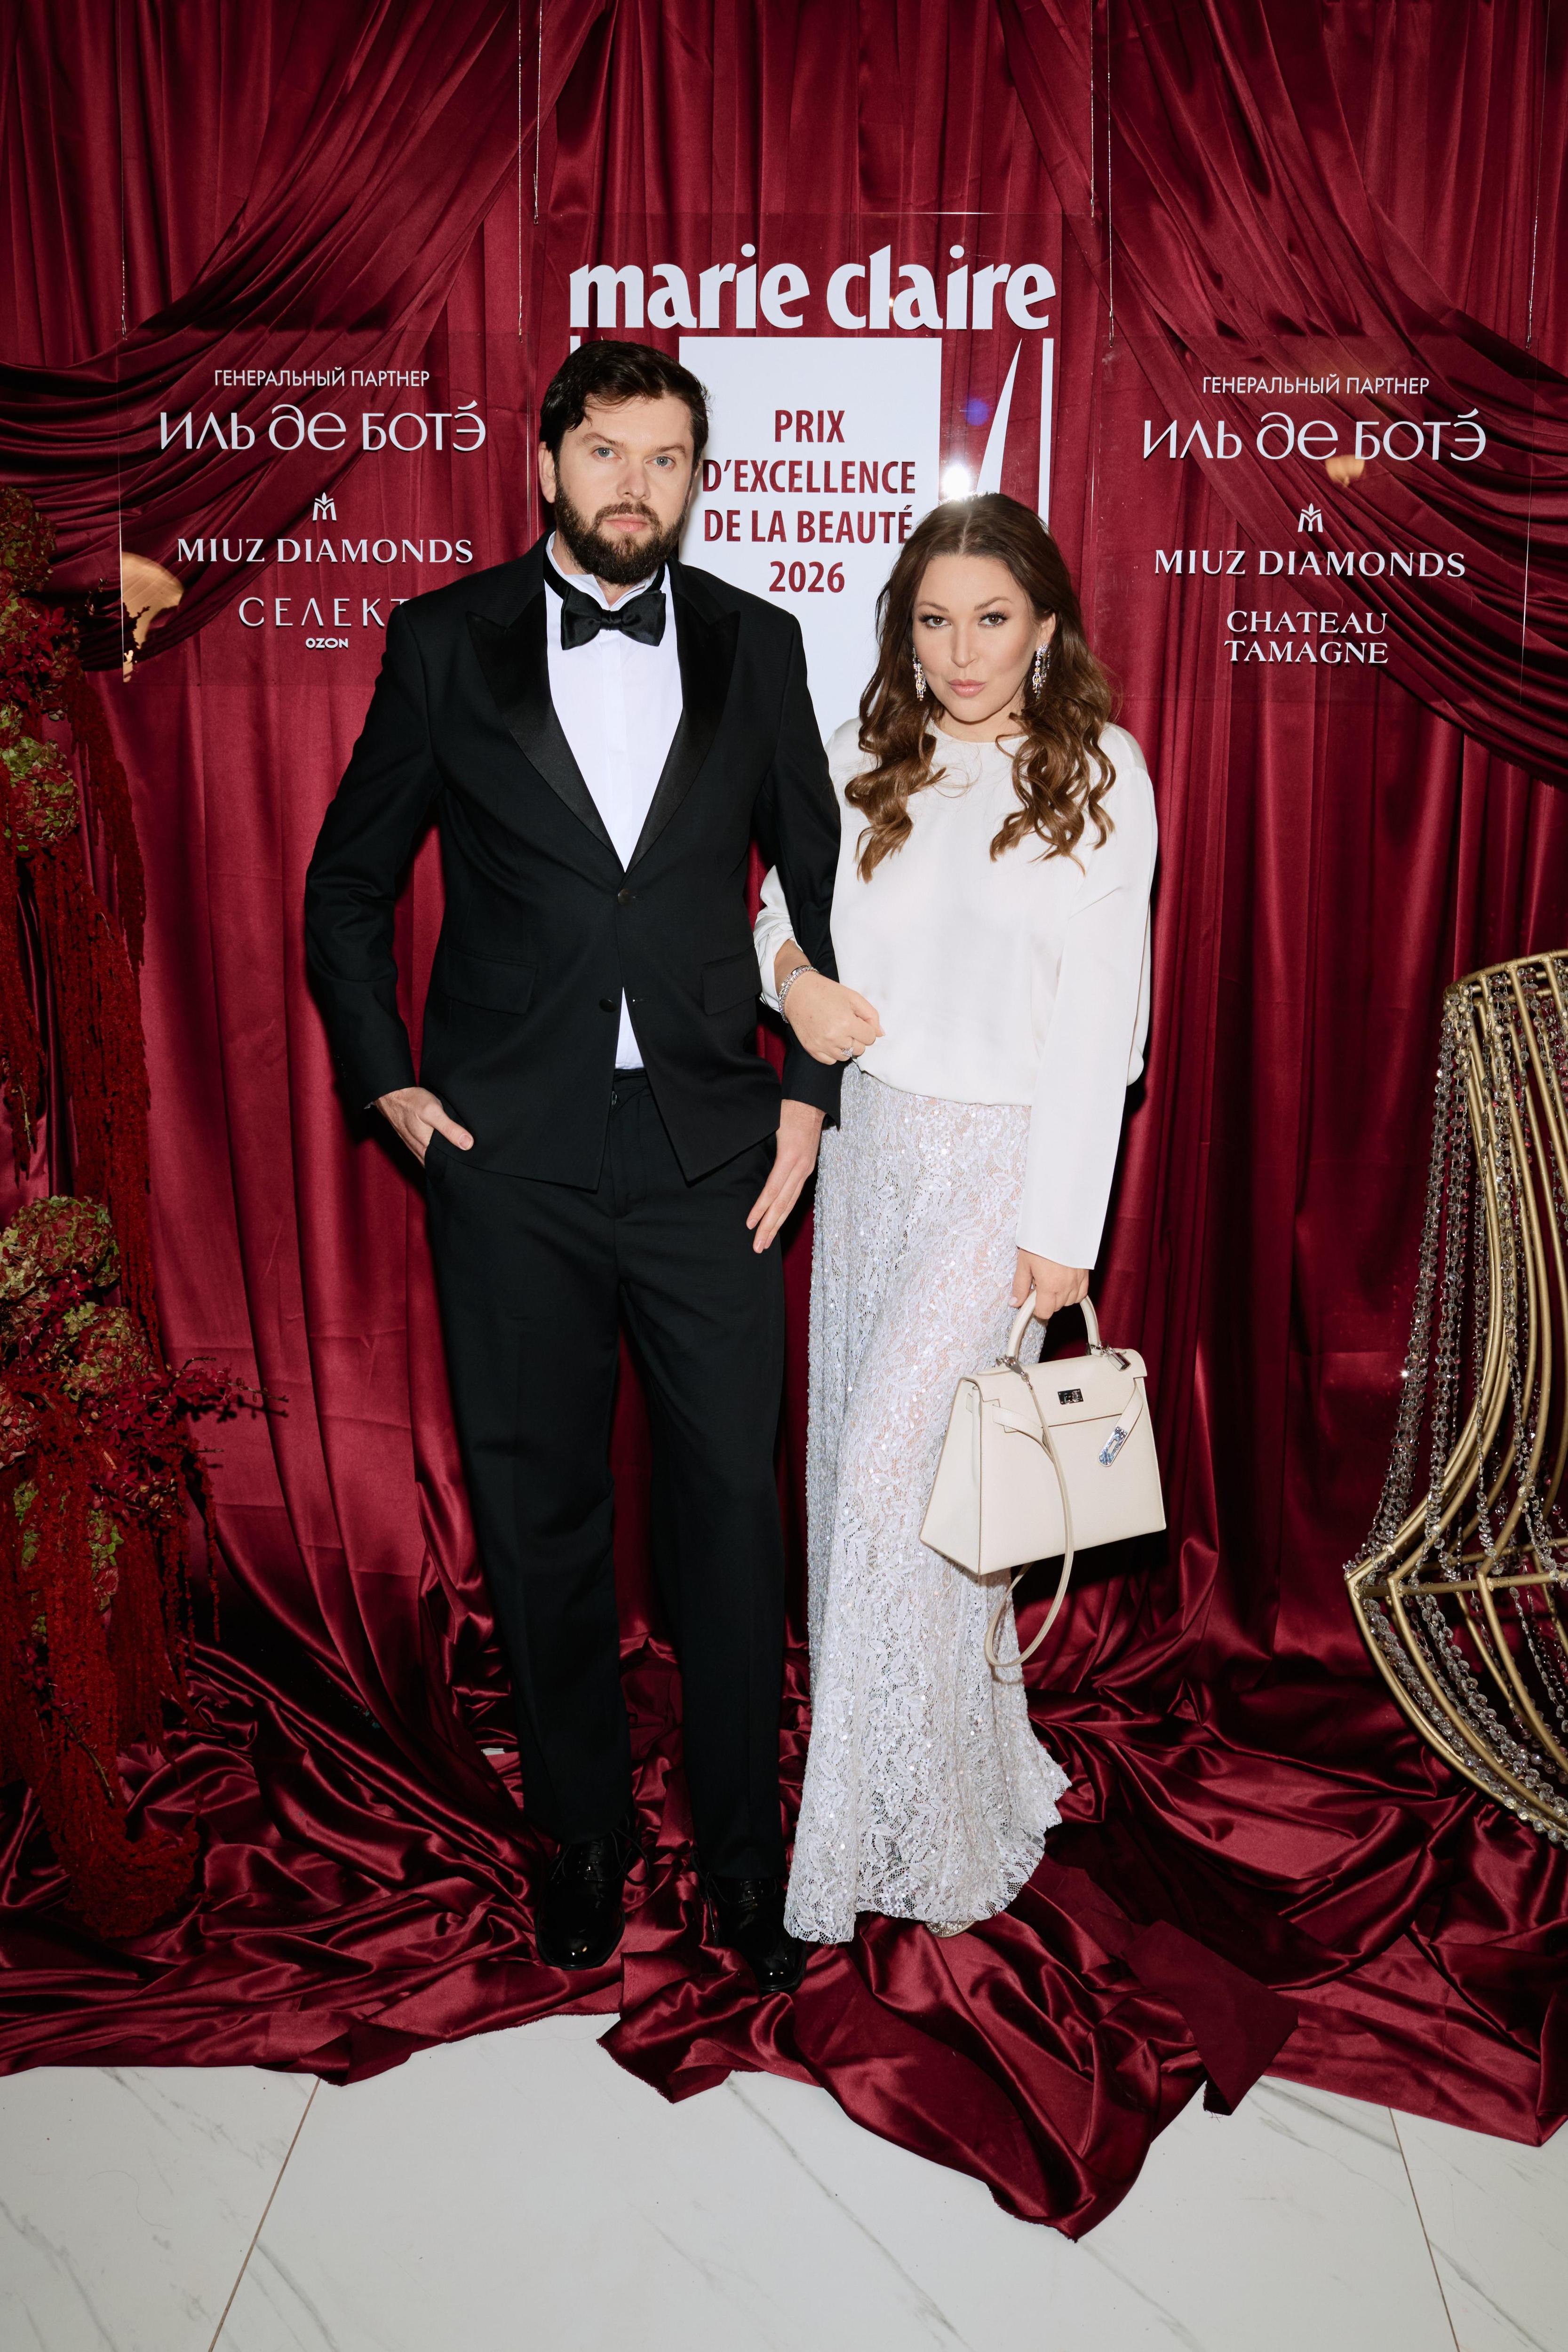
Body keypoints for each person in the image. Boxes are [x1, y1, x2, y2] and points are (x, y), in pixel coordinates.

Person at [304, 341, 869, 1993]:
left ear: (698, 478)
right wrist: (391, 1087)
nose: (637, 484)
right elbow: (348, 886)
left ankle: (745, 1856)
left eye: (667, 457)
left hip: (714, 1149)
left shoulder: (759, 641)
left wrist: (809, 1100)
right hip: (509, 1154)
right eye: (607, 451)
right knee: (538, 1507)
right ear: (549, 460)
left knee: (733, 1513)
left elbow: (817, 895)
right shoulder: (442, 640)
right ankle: (582, 1838)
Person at [753, 493, 1157, 1943]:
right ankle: (942, 1779)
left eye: (992, 618)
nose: (964, 650)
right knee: (878, 1491)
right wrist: (795, 982)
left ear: (1045, 625)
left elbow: (1103, 1025)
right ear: (905, 633)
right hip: (872, 1155)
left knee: (895, 1483)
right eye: (935, 621)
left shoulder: (1102, 772)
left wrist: (1065, 1229)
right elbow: (777, 913)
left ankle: (904, 1825)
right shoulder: (865, 754)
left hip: (1002, 1169)